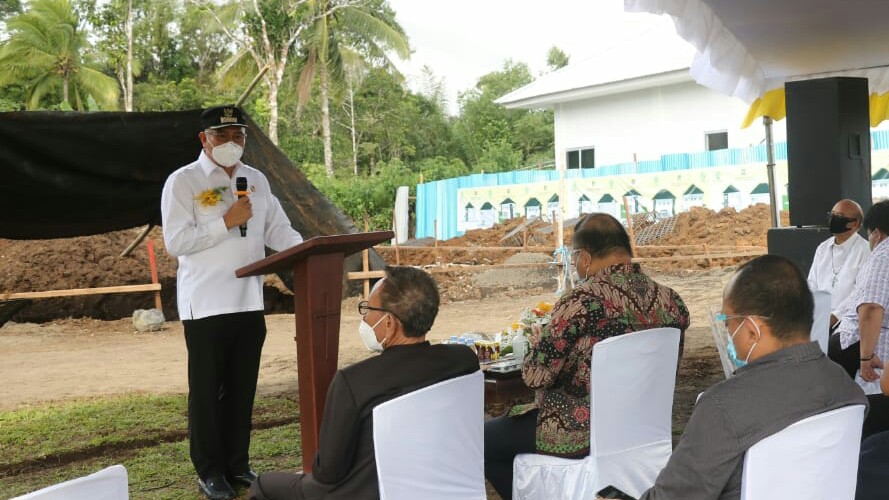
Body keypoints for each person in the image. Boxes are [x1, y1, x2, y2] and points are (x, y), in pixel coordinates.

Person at [484, 213, 690, 500]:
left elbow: (535, 376)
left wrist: (537, 343)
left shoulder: (580, 301)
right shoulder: (672, 301)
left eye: (573, 258)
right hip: (643, 428)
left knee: (483, 441)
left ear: (584, 257)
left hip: (576, 431)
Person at [161, 105, 305, 500]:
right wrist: (225, 220)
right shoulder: (184, 182)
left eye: (238, 135)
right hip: (205, 305)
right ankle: (210, 471)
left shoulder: (255, 180)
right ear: (204, 139)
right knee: (207, 392)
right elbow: (176, 242)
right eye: (221, 135)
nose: (231, 143)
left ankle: (238, 465)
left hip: (248, 302)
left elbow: (279, 229)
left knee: (242, 390)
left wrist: (310, 252)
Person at [636, 255, 866, 500]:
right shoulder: (847, 387)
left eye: (728, 323)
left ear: (751, 330)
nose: (728, 333)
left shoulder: (722, 406)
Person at [247, 266, 478, 500]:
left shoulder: (353, 381)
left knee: (262, 486)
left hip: (367, 491)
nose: (365, 317)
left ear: (389, 323)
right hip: (438, 480)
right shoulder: (463, 360)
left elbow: (328, 473)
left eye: (368, 309)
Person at [830, 200, 889, 383]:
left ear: (877, 234)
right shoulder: (823, 249)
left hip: (858, 343)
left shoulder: (881, 256)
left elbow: (871, 308)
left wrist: (865, 357)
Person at [807, 199, 869, 313]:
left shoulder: (865, 251)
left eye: (839, 216)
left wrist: (835, 316)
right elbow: (812, 283)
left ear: (855, 223)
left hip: (848, 319)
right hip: (819, 315)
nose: (833, 219)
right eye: (832, 215)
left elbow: (860, 292)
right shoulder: (823, 248)